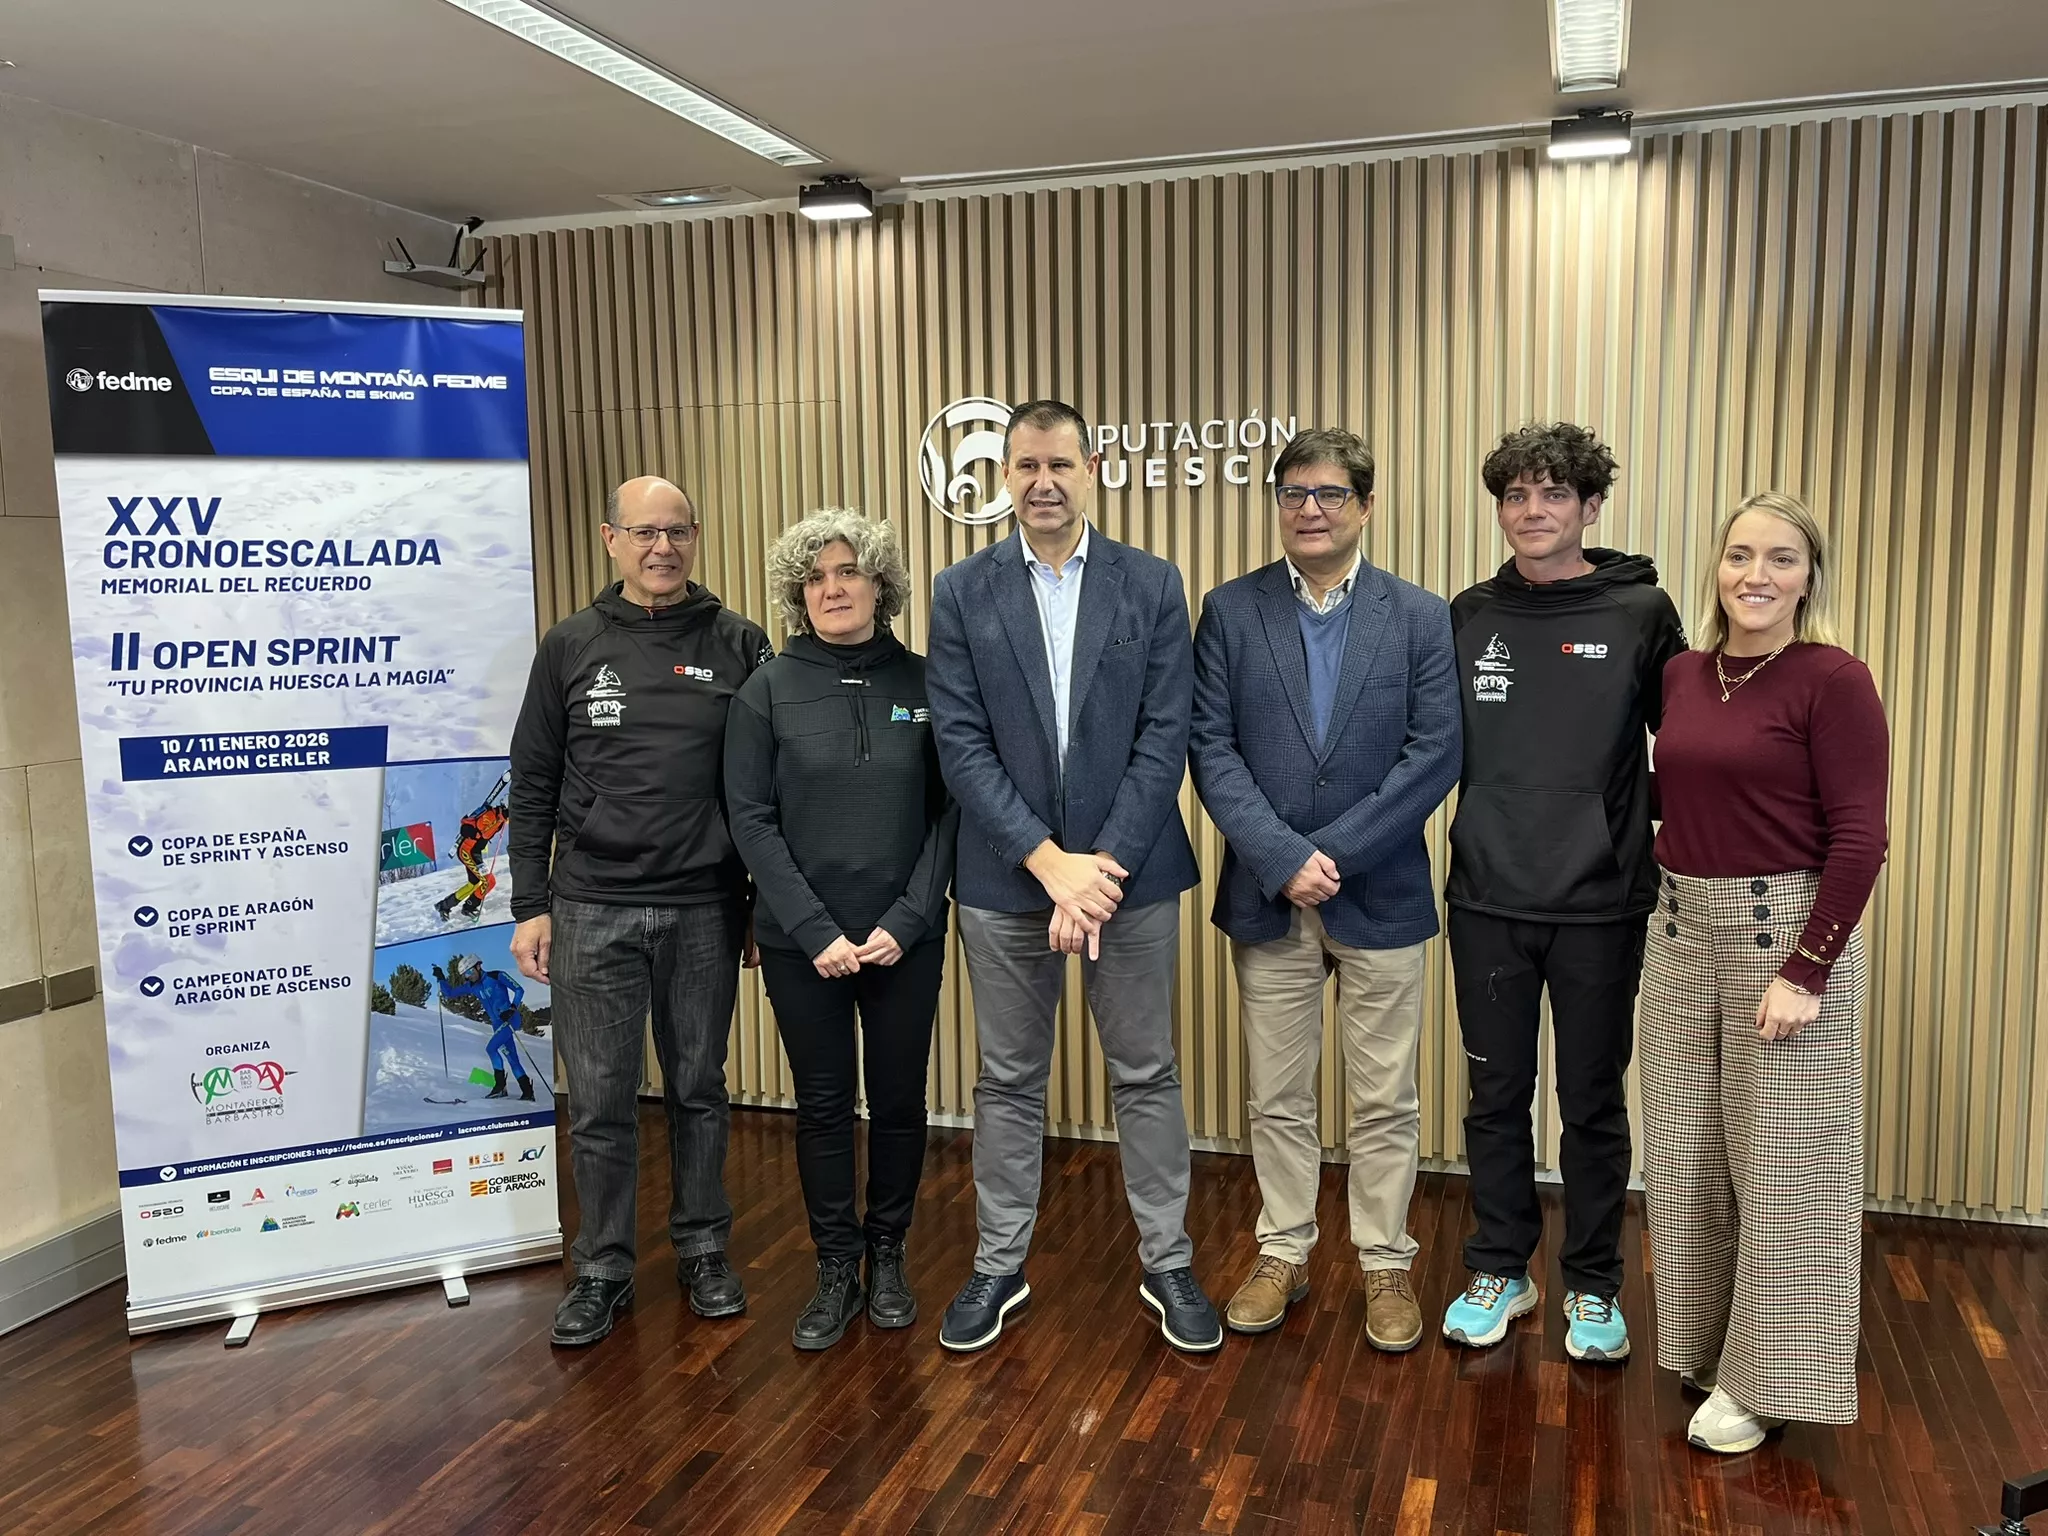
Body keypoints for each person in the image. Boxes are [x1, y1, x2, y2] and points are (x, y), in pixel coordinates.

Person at [925, 398, 1219, 1355]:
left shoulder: (1151, 583)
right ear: (1002, 478)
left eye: (1059, 464)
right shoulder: (962, 591)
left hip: (1128, 875)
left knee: (1146, 1071)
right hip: (1009, 878)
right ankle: (998, 1267)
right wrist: (1049, 865)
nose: (1042, 482)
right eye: (1024, 468)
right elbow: (962, 748)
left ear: (1092, 469)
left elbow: (1163, 736)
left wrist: (1096, 873)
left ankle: (1167, 1261)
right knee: (1008, 1080)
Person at [1189, 427, 1461, 1352]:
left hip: (1379, 894)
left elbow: (1436, 755)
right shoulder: (1229, 611)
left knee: (1385, 1098)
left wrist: (1329, 855)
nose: (1311, 508)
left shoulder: (1421, 617)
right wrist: (1280, 857)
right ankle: (1284, 1251)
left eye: (1331, 493)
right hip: (1269, 896)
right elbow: (1211, 748)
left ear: (1366, 506)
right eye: (1294, 492)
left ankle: (1385, 1262)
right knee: (1278, 1095)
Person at [1639, 492, 1887, 1453]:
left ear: (1808, 577)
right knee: (1690, 1157)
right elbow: (1678, 795)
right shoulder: (1685, 674)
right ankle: (1710, 1352)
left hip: (1785, 937)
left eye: (1780, 559)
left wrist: (1808, 969)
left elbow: (1861, 837)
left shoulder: (1834, 678)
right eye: (1740, 555)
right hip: (1680, 935)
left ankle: (1769, 1381)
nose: (1756, 576)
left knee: (1787, 1169)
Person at [1438, 424, 1687, 1363]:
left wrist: (1618, 818)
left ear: (1590, 506)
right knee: (1494, 1096)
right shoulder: (1467, 615)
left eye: (1552, 495)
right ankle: (1501, 1266)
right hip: (1488, 900)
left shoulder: (1640, 613)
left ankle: (1593, 1284)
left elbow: (1688, 750)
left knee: (1591, 1102)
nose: (1532, 512)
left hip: (1600, 906)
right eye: (1514, 496)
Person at [508, 474, 774, 1349]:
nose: (663, 547)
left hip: (703, 907)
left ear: (696, 537)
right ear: (610, 538)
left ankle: (702, 1251)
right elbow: (535, 783)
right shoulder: (570, 646)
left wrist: (757, 908)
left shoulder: (740, 642)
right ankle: (603, 1269)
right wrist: (530, 903)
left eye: (678, 531)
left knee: (699, 1089)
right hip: (591, 909)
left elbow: (764, 790)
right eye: (644, 532)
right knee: (600, 1102)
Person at [724, 510, 959, 1351]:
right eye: (815, 577)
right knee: (823, 1107)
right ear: (798, 594)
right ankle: (835, 1264)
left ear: (881, 585)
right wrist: (814, 927)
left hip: (905, 940)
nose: (833, 587)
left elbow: (951, 811)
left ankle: (888, 1252)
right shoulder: (767, 690)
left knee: (898, 1101)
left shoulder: (929, 684)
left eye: (848, 572)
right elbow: (750, 818)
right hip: (802, 945)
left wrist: (908, 918)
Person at [432, 954, 530, 1100]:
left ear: (478, 966)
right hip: (497, 1024)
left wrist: (512, 1008)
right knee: (512, 1059)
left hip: (510, 1019)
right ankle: (528, 1092)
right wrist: (441, 978)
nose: (468, 976)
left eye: (470, 972)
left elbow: (519, 989)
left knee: (491, 1048)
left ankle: (500, 1086)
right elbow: (450, 993)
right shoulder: (472, 987)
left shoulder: (496, 976)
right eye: (465, 974)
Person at [436, 770, 510, 920]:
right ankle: (469, 906)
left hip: (474, 852)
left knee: (473, 883)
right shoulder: (491, 816)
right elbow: (482, 833)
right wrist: (502, 819)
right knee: (488, 881)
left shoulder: (499, 818)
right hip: (467, 851)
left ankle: (444, 905)